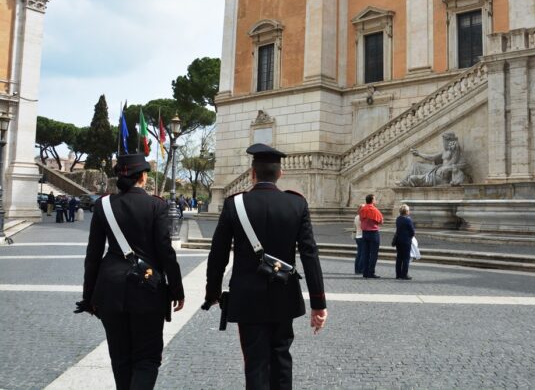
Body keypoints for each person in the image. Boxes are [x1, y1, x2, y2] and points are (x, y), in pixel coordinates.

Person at [204, 143, 327, 389]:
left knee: (255, 362)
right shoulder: (297, 204)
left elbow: (218, 254)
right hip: (284, 293)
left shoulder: (234, 205)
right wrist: (318, 303)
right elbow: (310, 255)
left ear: (252, 173)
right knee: (282, 359)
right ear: (280, 173)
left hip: (247, 297)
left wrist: (212, 292)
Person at [75, 153, 185, 390]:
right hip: (148, 289)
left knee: (120, 357)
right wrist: (177, 289)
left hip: (110, 289)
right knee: (147, 358)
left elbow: (92, 255)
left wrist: (89, 296)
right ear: (143, 177)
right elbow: (166, 252)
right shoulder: (157, 205)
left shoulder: (103, 205)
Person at [359, 194, 383, 279]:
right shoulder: (375, 210)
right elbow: (380, 221)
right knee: (373, 254)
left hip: (364, 233)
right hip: (373, 233)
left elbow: (360, 219)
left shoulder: (362, 209)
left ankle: (365, 272)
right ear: (372, 200)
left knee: (365, 253)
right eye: (375, 199)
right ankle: (371, 272)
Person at [394, 204, 415, 280]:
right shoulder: (408, 220)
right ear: (406, 212)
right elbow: (412, 231)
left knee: (399, 257)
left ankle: (398, 274)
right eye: (408, 210)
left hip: (398, 240)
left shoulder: (398, 219)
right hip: (406, 241)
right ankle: (404, 274)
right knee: (406, 258)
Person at [353, 204, 365, 274]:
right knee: (362, 254)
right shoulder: (362, 217)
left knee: (359, 253)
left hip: (357, 236)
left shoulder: (356, 217)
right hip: (362, 236)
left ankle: (356, 269)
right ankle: (360, 269)